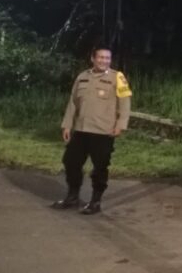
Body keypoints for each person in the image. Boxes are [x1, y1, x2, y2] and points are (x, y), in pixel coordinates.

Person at [51, 46, 132, 215]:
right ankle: (72, 197)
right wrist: (67, 125)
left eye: (107, 58)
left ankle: (95, 202)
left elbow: (125, 103)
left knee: (100, 167)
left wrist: (120, 125)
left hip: (103, 131)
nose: (104, 61)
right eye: (101, 57)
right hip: (81, 130)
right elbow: (73, 103)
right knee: (70, 162)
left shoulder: (117, 77)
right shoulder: (82, 77)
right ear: (93, 59)